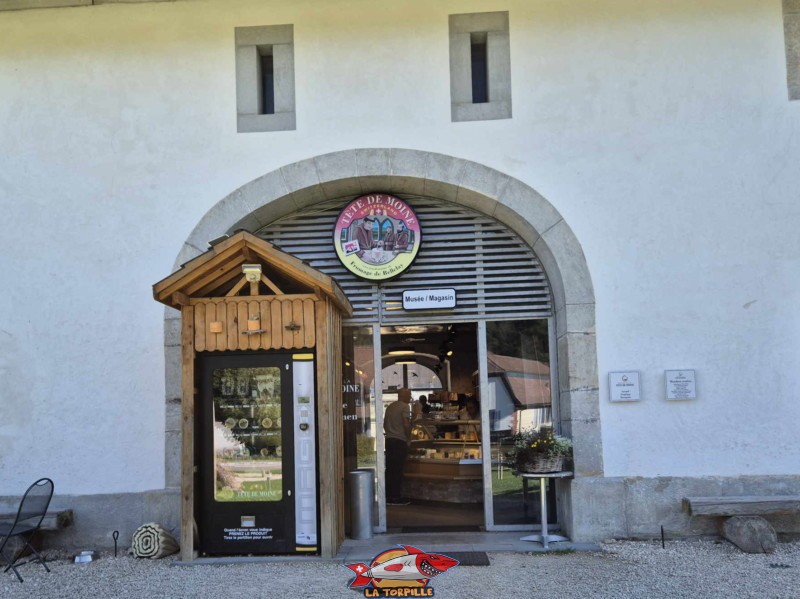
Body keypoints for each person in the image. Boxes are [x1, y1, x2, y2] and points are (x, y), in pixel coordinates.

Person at [384, 387, 412, 505]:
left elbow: (384, 424)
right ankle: (396, 497)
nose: (410, 397)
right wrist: (408, 438)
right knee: (398, 470)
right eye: (409, 395)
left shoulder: (390, 407)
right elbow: (406, 424)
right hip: (399, 441)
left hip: (389, 441)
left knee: (389, 469)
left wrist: (390, 432)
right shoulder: (405, 406)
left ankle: (387, 496)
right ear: (404, 396)